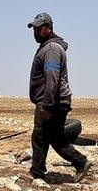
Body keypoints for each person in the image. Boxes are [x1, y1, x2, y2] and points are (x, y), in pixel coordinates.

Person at [27, 12, 91, 182]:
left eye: (38, 29)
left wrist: (47, 105)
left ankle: (38, 172)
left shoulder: (51, 49)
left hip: (52, 101)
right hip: (53, 100)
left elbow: (52, 77)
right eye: (34, 29)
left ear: (48, 28)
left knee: (40, 136)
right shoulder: (49, 47)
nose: (35, 32)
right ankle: (79, 163)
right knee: (53, 137)